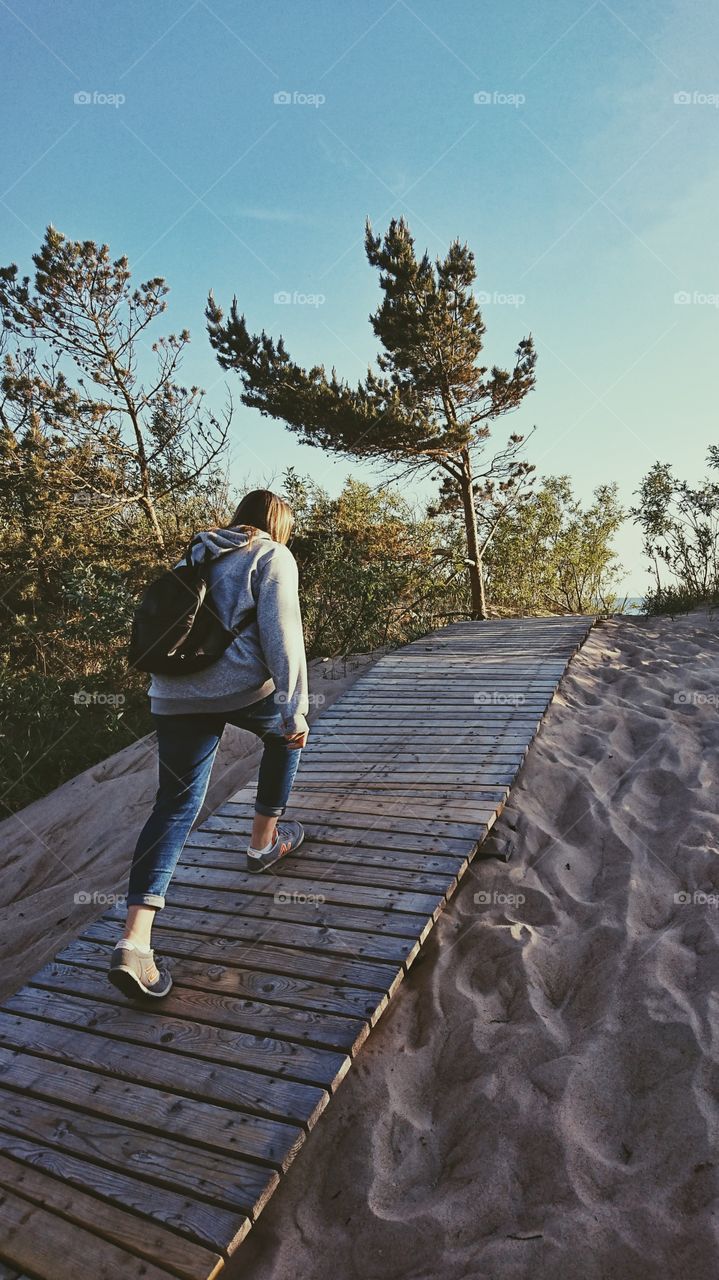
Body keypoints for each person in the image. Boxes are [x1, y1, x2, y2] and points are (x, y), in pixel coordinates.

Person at [108, 489, 309, 1001]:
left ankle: (135, 944)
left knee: (174, 805)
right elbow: (282, 634)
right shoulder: (272, 555)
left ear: (239, 517)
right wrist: (294, 708)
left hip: (172, 689)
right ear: (278, 525)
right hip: (239, 687)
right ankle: (263, 842)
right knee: (285, 737)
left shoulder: (197, 550)